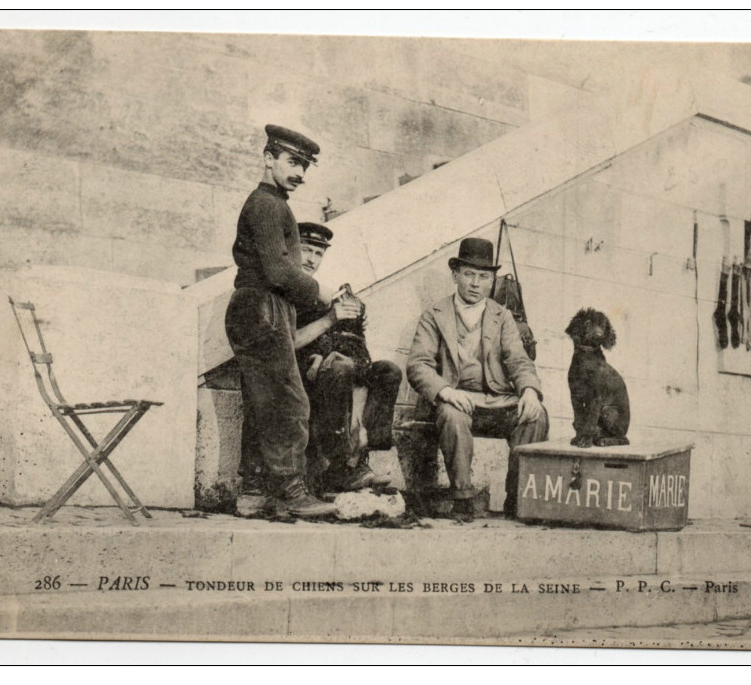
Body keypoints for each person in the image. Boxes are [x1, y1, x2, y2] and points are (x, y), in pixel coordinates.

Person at [224, 124, 351, 518]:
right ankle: (292, 493)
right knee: (289, 402)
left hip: (261, 309)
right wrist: (323, 292)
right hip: (264, 309)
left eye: (305, 167)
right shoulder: (267, 204)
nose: (300, 173)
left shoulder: (274, 204)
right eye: (293, 162)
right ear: (268, 158)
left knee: (265, 403)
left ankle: (254, 493)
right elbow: (278, 272)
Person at [406, 237, 549, 518]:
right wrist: (446, 391)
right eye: (469, 274)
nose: (475, 283)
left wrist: (530, 391)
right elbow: (418, 365)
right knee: (452, 415)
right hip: (456, 400)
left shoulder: (502, 316)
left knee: (535, 415)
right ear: (455, 275)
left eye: (484, 277)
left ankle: (518, 499)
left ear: (492, 281)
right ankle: (462, 498)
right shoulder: (434, 314)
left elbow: (518, 360)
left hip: (496, 400)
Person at [293, 222, 402, 493]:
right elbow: (290, 342)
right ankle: (340, 466)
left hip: (331, 369)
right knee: (340, 368)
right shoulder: (287, 288)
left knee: (388, 370)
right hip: (298, 375)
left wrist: (354, 318)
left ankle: (366, 457)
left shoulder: (322, 293)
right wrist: (331, 325)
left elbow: (353, 346)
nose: (311, 259)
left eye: (318, 254)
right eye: (305, 250)